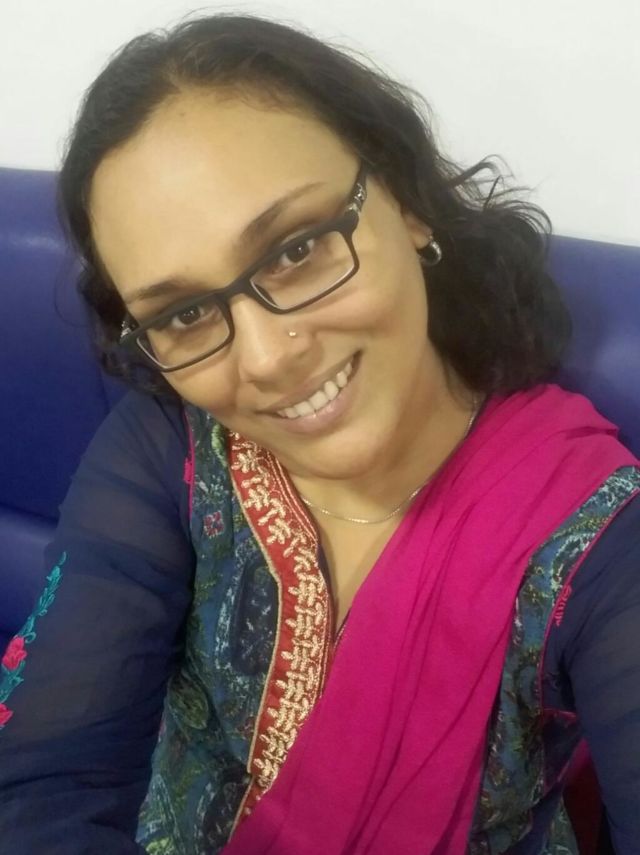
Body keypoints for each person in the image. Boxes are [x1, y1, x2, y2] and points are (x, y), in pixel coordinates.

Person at [0, 13, 638, 854]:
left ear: (407, 202)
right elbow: (48, 780)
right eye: (185, 313)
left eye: (297, 248)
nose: (267, 359)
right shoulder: (171, 445)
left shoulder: (595, 538)